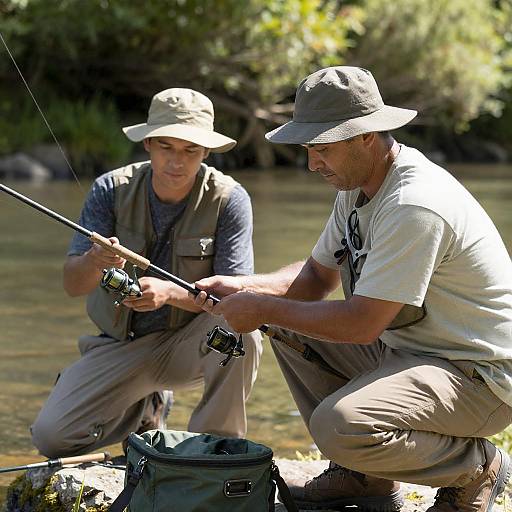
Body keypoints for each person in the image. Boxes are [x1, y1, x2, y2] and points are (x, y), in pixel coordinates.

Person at [193, 66, 512, 512]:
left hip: (479, 377)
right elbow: (313, 281)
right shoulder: (357, 186)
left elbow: (362, 323)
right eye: (308, 148)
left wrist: (261, 309)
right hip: (412, 353)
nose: (311, 163)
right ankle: (364, 479)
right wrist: (244, 287)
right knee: (289, 328)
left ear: (367, 136)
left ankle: (478, 466)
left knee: (341, 424)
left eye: (322, 148)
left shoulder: (414, 204)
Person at [31, 88, 263, 457]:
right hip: (117, 346)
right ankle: (144, 410)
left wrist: (171, 294)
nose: (177, 161)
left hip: (189, 343)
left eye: (190, 150)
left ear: (205, 152)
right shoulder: (109, 189)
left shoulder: (230, 199)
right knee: (51, 438)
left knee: (243, 332)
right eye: (167, 147)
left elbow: (235, 297)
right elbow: (72, 285)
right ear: (149, 144)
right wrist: (94, 260)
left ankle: (214, 451)